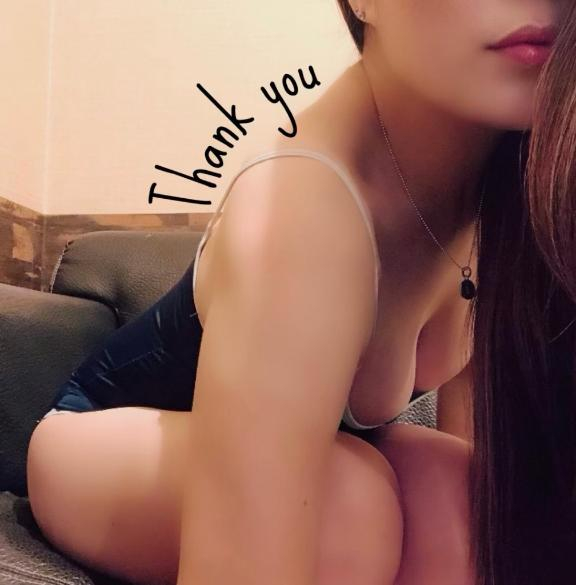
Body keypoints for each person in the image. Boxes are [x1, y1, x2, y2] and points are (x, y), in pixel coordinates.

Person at [24, 1, 574, 584]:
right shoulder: (299, 209)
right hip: (99, 442)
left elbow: (478, 461)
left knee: (468, 505)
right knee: (348, 514)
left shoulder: (511, 207)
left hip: (328, 471)